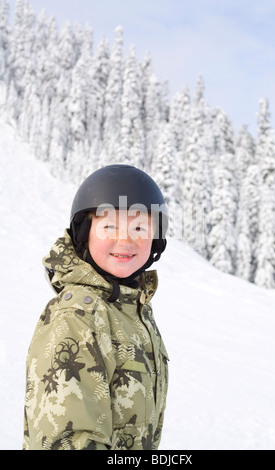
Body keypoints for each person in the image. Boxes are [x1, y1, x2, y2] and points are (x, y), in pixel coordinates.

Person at [23, 164, 169, 450]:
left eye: (139, 227)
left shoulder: (131, 310)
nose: (125, 240)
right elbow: (69, 441)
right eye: (110, 226)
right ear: (85, 233)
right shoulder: (77, 316)